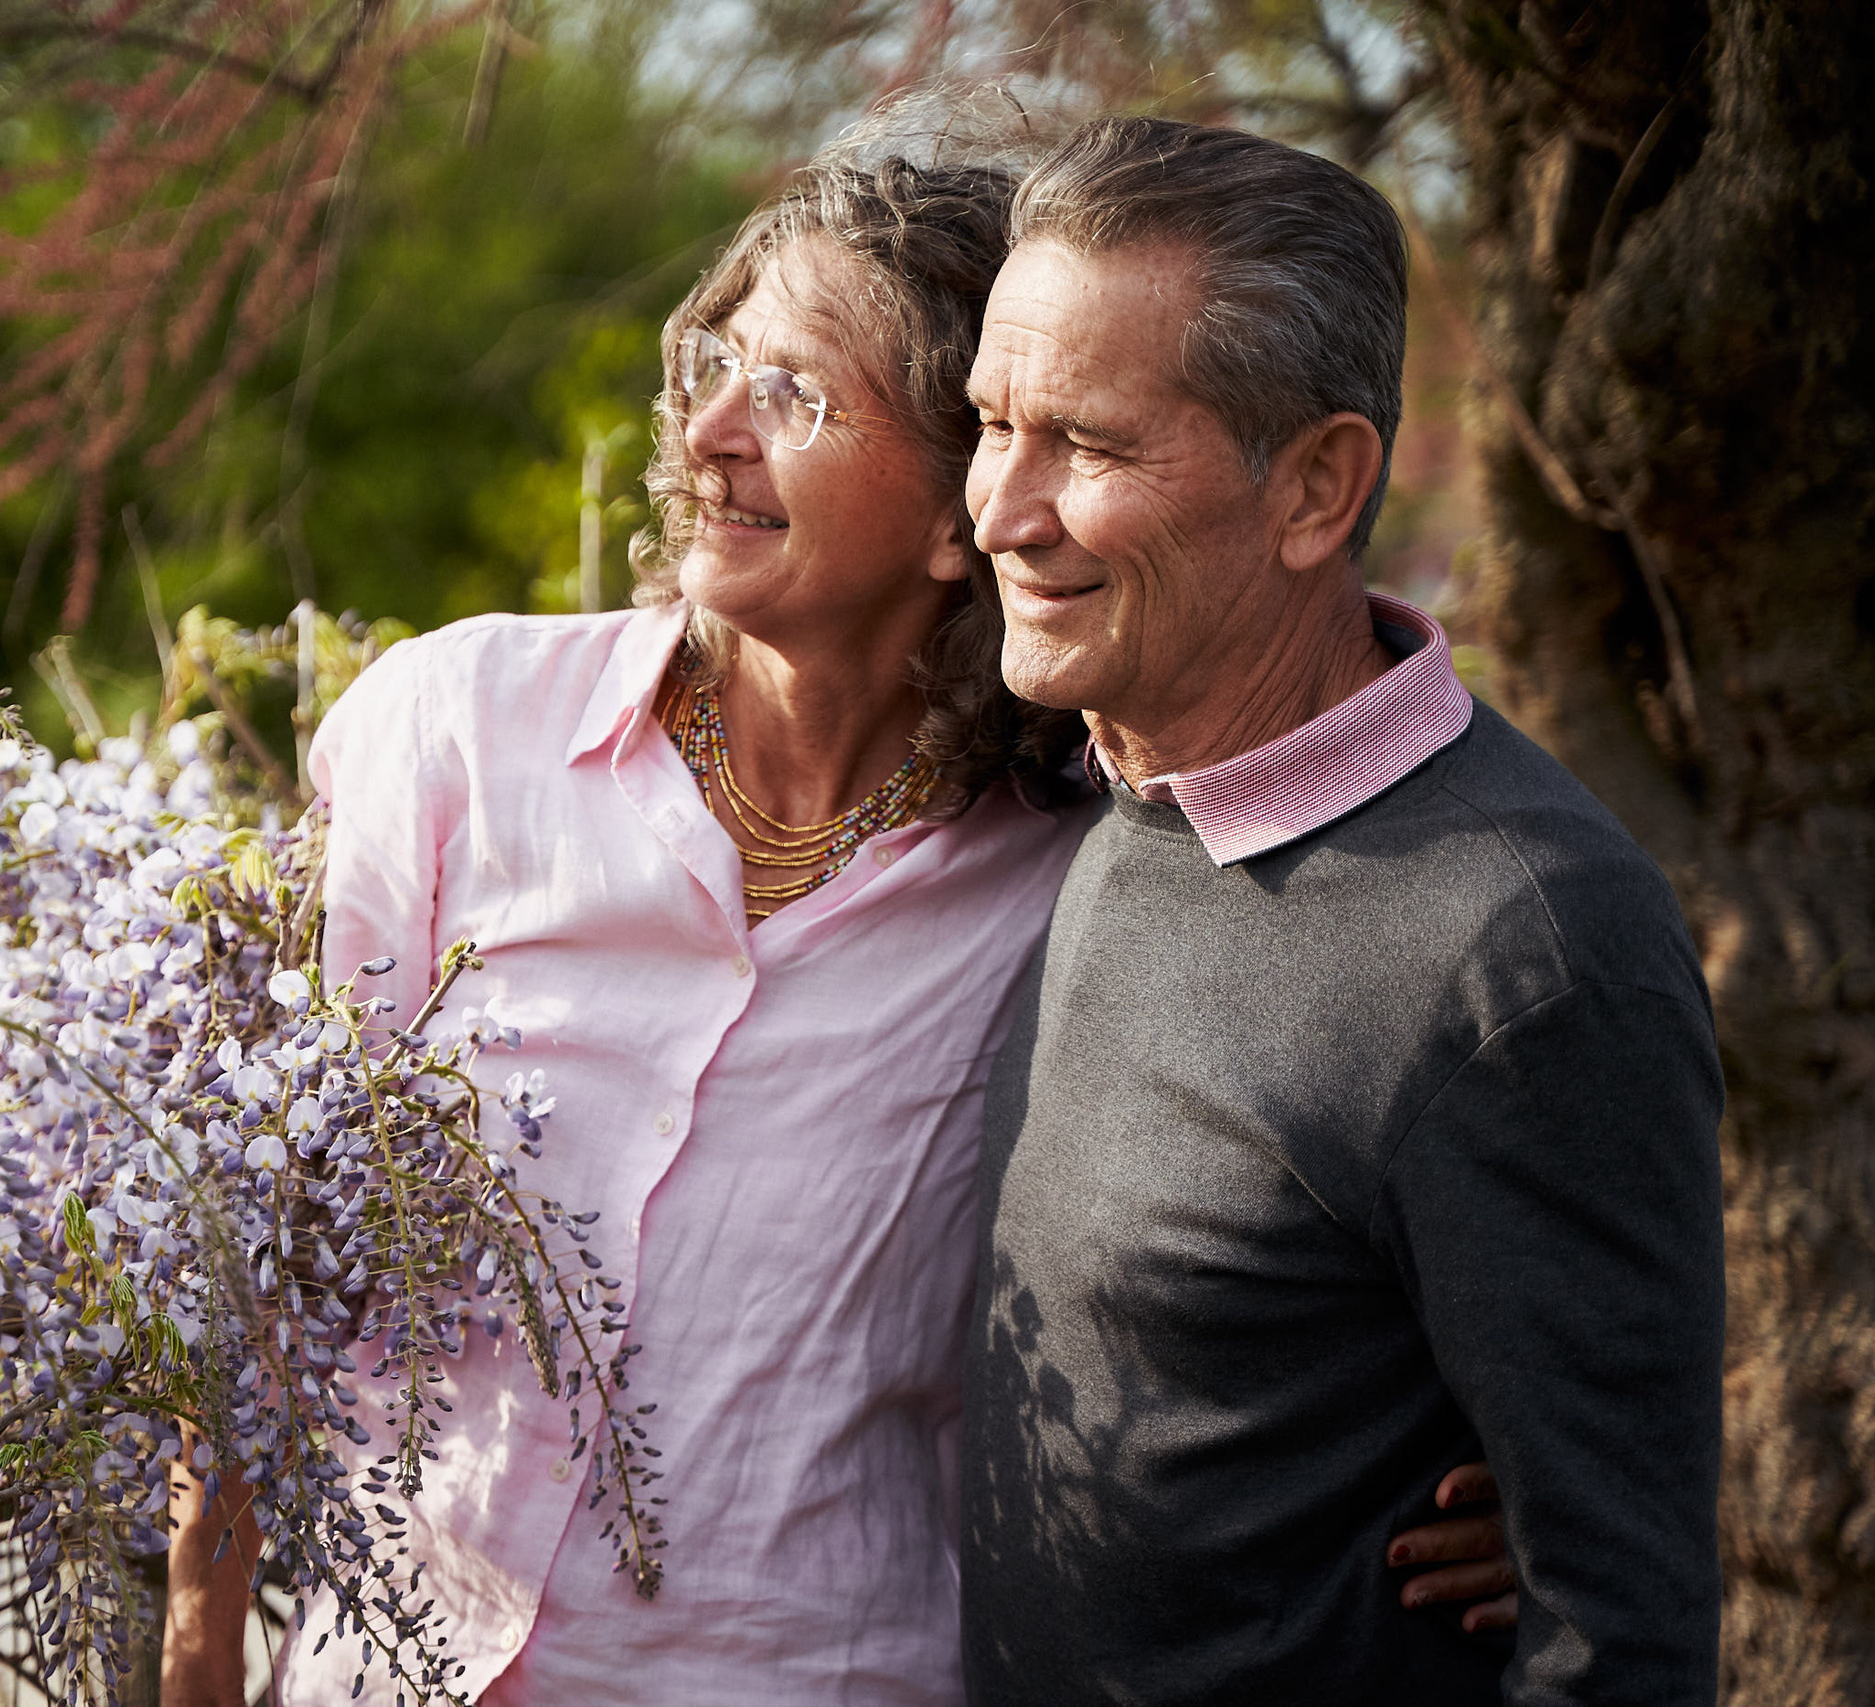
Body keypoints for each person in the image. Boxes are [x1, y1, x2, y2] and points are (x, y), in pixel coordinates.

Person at [164, 117, 1512, 1707]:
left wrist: (1491, 1443)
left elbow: (1356, 1097)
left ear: (970, 508)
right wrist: (197, 1644)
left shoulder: (1081, 863)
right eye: (709, 367)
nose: (710, 433)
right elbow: (260, 1239)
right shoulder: (454, 731)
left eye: (793, 394)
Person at [957, 117, 1725, 1704]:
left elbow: (1620, 1641)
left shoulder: (1521, 954)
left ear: (1317, 487)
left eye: (1085, 446)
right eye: (991, 424)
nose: (1000, 511)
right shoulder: (1125, 777)